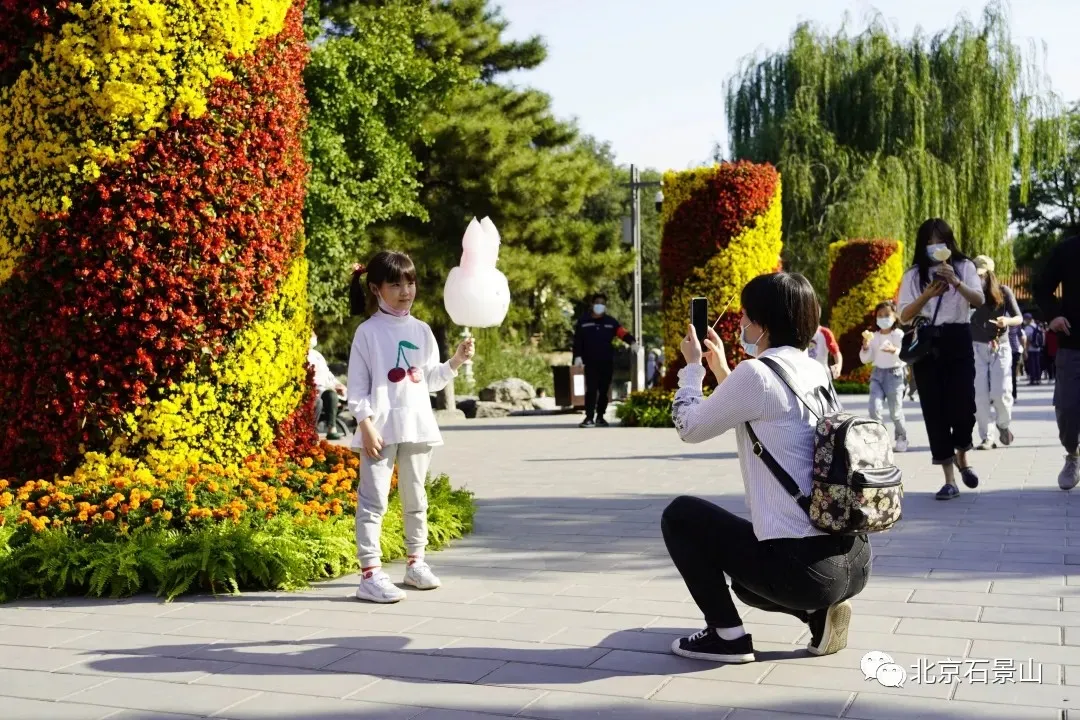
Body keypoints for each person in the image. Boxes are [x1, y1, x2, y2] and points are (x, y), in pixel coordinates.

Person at [664, 272, 871, 664]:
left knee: (680, 516)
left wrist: (692, 369)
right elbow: (763, 411)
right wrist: (722, 369)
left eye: (745, 316)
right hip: (853, 559)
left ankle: (727, 637)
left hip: (801, 570)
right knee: (745, 585)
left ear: (763, 324)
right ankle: (817, 615)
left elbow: (689, 428)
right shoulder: (814, 369)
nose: (741, 323)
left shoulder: (757, 374)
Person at [347, 252, 475, 603]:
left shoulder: (421, 330)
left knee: (416, 498)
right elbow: (357, 387)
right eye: (396, 284)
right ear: (376, 289)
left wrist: (457, 360)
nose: (406, 291)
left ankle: (415, 563)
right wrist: (365, 424)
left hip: (417, 425)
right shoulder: (367, 332)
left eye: (410, 283)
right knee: (373, 501)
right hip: (380, 428)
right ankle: (370, 574)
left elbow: (430, 379)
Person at [898, 218, 984, 501]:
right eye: (929, 241)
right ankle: (949, 479)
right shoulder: (914, 274)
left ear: (949, 242)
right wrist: (926, 295)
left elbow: (979, 300)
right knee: (934, 410)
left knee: (964, 406)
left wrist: (956, 282)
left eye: (940, 240)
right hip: (928, 342)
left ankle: (963, 456)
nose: (935, 246)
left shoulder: (964, 266)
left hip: (958, 338)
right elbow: (904, 315)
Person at [1034, 231, 1079, 490]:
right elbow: (1041, 289)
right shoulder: (1068, 250)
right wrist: (1053, 315)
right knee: (1068, 408)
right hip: (1073, 343)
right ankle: (1073, 454)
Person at [968, 256, 1022, 450]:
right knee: (979, 395)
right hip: (976, 347)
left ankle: (1003, 424)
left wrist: (1007, 321)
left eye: (981, 275)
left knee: (1001, 392)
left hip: (1000, 346)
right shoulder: (968, 293)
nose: (977, 279)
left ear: (989, 274)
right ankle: (987, 437)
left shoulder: (1004, 292)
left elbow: (1018, 317)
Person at [572, 292, 637, 427]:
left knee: (604, 390)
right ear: (592, 304)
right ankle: (589, 417)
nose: (599, 306)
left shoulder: (610, 322)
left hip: (606, 361)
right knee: (591, 389)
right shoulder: (583, 322)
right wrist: (577, 356)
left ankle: (600, 416)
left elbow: (622, 333)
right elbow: (577, 340)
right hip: (590, 362)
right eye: (597, 303)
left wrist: (632, 342)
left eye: (602, 303)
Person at [859, 301, 908, 452]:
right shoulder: (873, 336)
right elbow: (866, 358)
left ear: (894, 316)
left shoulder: (898, 334)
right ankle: (881, 438)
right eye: (880, 315)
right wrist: (865, 347)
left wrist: (894, 350)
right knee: (874, 408)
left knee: (895, 412)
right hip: (877, 375)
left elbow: (905, 355)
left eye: (887, 315)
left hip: (895, 375)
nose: (883, 318)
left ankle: (901, 437)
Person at [309, 333, 346, 440]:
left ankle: (332, 429)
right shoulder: (300, 354)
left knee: (331, 395)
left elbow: (327, 374)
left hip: (323, 389)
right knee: (320, 400)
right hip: (311, 389)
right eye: (312, 335)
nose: (315, 336)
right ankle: (310, 432)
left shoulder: (317, 355)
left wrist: (337, 384)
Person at [1022, 314, 1045, 385]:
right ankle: (1038, 379)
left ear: (1028, 319)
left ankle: (1033, 380)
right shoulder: (1037, 326)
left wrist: (1025, 350)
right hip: (1037, 348)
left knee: (1031, 365)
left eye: (1025, 319)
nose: (1024, 321)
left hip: (1031, 349)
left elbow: (1027, 340)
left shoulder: (1028, 328)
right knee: (1037, 364)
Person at [1008, 322, 1026, 401]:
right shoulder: (1016, 323)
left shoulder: (1016, 324)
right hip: (1013, 351)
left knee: (1012, 375)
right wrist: (1024, 350)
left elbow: (1021, 337)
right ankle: (1012, 395)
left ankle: (1012, 395)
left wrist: (1024, 351)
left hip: (1013, 351)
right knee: (1012, 375)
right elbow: (1021, 337)